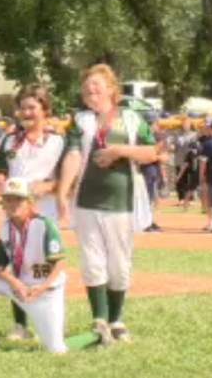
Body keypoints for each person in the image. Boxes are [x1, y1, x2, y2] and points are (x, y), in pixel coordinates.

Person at [58, 63, 157, 345]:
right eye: (86, 86)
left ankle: (116, 320)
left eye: (96, 85)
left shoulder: (131, 118)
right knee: (92, 262)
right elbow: (73, 155)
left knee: (119, 264)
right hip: (87, 201)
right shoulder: (80, 120)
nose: (90, 90)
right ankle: (99, 320)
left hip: (122, 202)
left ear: (112, 89)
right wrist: (63, 191)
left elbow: (152, 152)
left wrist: (119, 150)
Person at [0, 84, 65, 340]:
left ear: (45, 109)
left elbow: (67, 179)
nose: (26, 113)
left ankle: (50, 321)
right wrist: (0, 181)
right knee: (18, 263)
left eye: (32, 107)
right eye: (22, 108)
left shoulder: (57, 141)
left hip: (44, 210)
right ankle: (20, 324)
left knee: (47, 264)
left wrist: (47, 187)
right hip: (15, 210)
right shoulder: (9, 140)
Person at [0, 177, 68, 354]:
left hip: (46, 293)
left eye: (19, 199)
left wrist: (42, 287)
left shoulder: (44, 224)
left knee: (56, 349)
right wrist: (15, 283)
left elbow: (60, 263)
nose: (13, 204)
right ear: (3, 203)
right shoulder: (6, 228)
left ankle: (96, 336)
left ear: (29, 202)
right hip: (20, 290)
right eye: (9, 199)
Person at [174, 117, 199, 210]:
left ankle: (190, 198)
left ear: (190, 125)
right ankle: (181, 198)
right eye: (184, 124)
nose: (185, 126)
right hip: (179, 160)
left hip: (191, 160)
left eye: (187, 124)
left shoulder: (195, 134)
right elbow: (174, 147)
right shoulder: (178, 135)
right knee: (180, 180)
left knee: (190, 180)